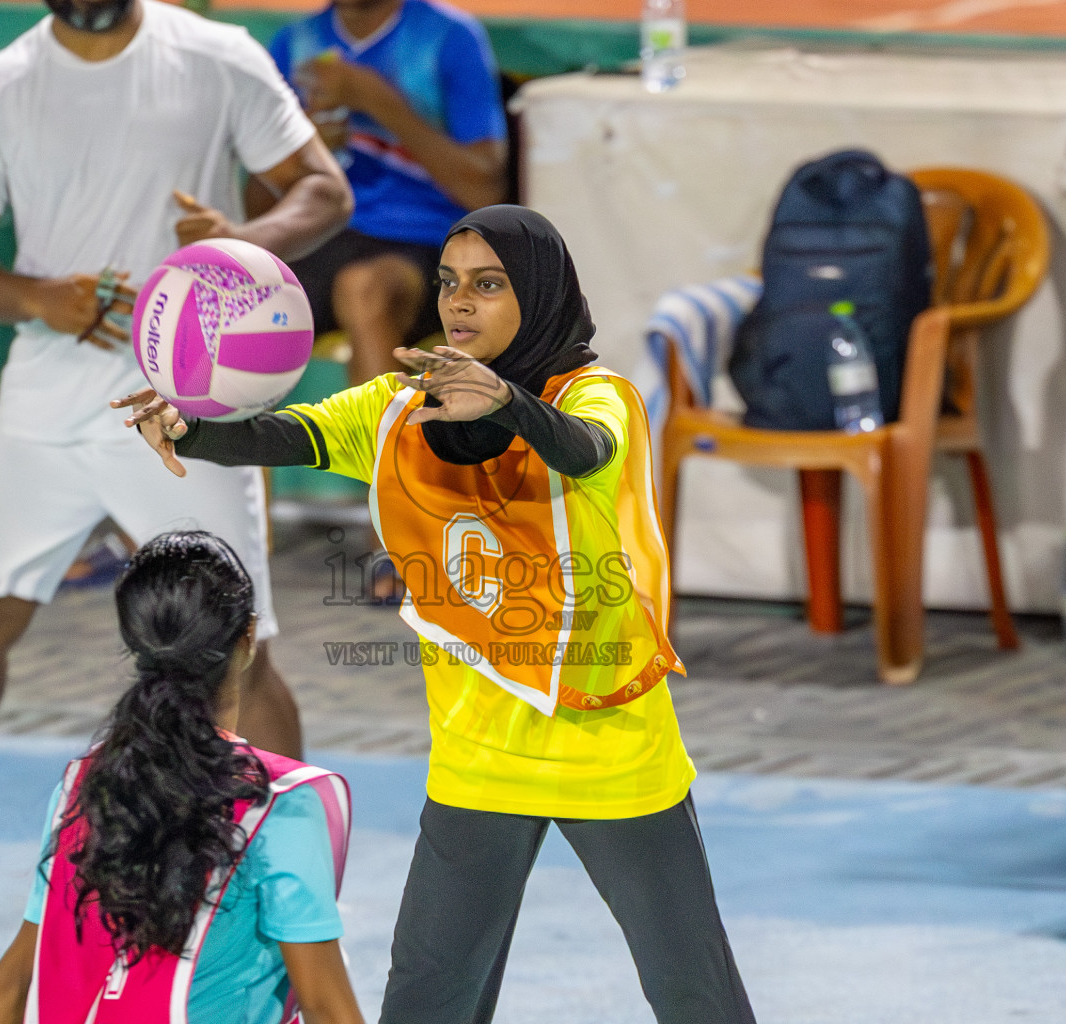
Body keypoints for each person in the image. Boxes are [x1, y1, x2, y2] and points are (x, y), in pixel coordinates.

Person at [0, 0, 353, 953]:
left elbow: (323, 191)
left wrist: (244, 241)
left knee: (238, 649)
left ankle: (291, 897)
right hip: (45, 399)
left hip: (184, 403)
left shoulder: (216, 55)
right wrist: (39, 296)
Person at [118, 205, 759, 1023]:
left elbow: (583, 448)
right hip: (477, 758)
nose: (460, 303)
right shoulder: (396, 407)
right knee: (427, 996)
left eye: (489, 286)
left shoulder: (603, 399)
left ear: (538, 294)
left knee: (694, 993)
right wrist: (191, 427)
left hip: (610, 750)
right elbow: (284, 436)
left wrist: (506, 406)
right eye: (450, 284)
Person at [0, 531, 362, 1024]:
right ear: (248, 638)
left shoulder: (84, 785)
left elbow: (12, 985)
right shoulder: (282, 806)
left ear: (138, 645)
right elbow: (328, 1009)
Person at [266, 0, 508, 388]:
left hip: (425, 240)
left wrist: (376, 100)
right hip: (321, 233)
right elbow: (261, 205)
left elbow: (483, 191)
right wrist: (303, 150)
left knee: (364, 289)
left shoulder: (448, 37)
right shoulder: (294, 43)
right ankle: (207, 446)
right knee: (240, 294)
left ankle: (381, 446)